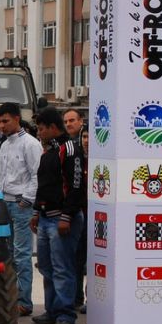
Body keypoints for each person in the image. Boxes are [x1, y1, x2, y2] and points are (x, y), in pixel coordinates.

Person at [30, 106, 84, 324]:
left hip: (62, 219)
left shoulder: (70, 149)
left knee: (63, 268)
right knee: (46, 267)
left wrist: (66, 216)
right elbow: (44, 185)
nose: (39, 133)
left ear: (53, 127)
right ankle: (51, 310)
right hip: (45, 218)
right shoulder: (49, 150)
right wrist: (36, 212)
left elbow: (76, 185)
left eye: (42, 129)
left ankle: (66, 314)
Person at [0, 102, 42, 316]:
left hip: (21, 204)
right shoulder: (5, 144)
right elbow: (0, 176)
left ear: (16, 118)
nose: (2, 125)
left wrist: (28, 200)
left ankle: (24, 302)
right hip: (5, 203)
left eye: (5, 121)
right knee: (8, 253)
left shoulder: (30, 144)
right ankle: (11, 298)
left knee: (22, 254)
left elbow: (36, 174)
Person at [75, 123, 89, 310]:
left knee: (93, 261)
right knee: (77, 259)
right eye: (84, 137)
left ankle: (90, 298)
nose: (86, 141)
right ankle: (76, 298)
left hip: (97, 217)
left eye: (89, 137)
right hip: (79, 215)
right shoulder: (76, 159)